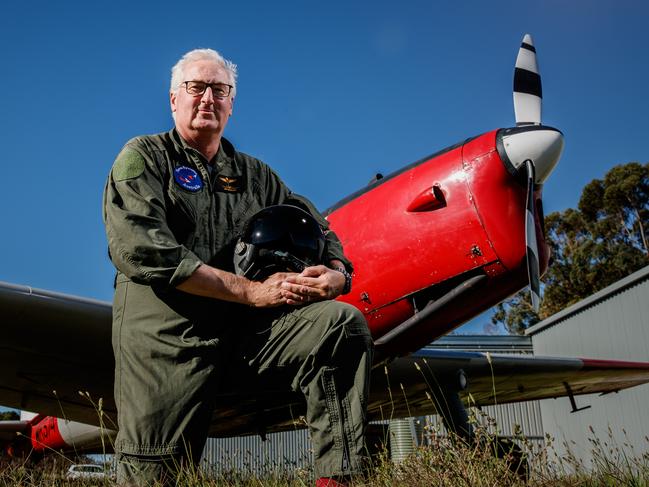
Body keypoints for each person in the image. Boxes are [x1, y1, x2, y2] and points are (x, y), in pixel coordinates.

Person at [103, 48, 373, 486]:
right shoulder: (143, 158)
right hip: (168, 336)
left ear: (232, 103)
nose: (207, 98)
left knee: (339, 325)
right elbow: (144, 251)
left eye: (220, 89)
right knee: (152, 474)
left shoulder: (256, 176)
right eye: (196, 87)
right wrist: (252, 291)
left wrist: (337, 272)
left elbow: (315, 226)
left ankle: (338, 478)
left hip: (245, 332)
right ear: (174, 99)